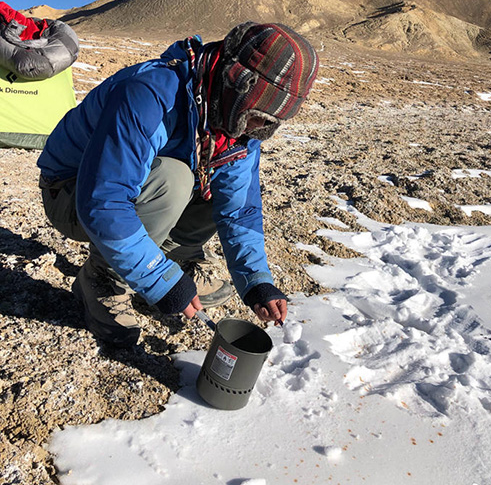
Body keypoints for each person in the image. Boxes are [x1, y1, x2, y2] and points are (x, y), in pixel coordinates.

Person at [37, 21, 319, 346]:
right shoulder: (151, 93)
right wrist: (159, 280)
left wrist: (257, 282)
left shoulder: (233, 119)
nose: (257, 130)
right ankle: (104, 279)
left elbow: (239, 210)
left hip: (123, 192)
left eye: (269, 123)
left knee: (218, 182)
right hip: (70, 193)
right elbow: (105, 200)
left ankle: (169, 261)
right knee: (174, 179)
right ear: (235, 84)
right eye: (257, 116)